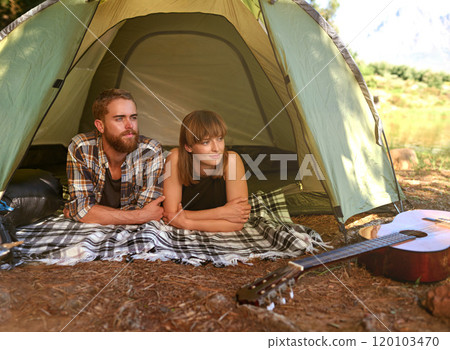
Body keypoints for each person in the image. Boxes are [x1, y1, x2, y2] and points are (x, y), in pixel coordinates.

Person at [65, 89, 164, 225]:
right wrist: (139, 215)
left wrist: (91, 212)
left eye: (133, 117)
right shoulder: (82, 147)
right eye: (119, 118)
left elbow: (151, 210)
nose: (130, 125)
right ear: (100, 126)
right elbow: (81, 209)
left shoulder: (151, 151)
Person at [162, 110, 250, 232]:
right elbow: (170, 215)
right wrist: (222, 212)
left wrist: (187, 223)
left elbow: (238, 223)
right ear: (188, 147)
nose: (216, 148)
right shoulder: (176, 157)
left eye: (219, 139)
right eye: (206, 142)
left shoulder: (232, 160)